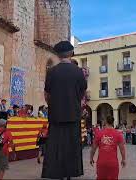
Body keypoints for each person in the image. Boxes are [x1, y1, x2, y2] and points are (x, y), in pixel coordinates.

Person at [41, 41, 87, 179]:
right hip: (73, 114)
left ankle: (56, 173)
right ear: (71, 53)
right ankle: (70, 174)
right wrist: (75, 103)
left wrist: (53, 104)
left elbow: (47, 94)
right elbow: (82, 92)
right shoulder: (78, 72)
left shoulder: (51, 72)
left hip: (55, 115)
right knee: (72, 146)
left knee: (56, 146)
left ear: (58, 55)